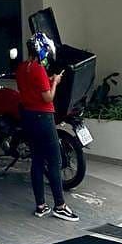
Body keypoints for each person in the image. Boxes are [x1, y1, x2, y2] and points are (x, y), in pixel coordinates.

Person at [15, 36, 79, 221]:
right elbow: (48, 97)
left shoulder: (22, 68)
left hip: (28, 117)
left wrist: (48, 79)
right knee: (54, 161)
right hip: (43, 117)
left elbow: (32, 88)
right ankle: (60, 206)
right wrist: (55, 82)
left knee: (37, 160)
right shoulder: (38, 69)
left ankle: (41, 206)